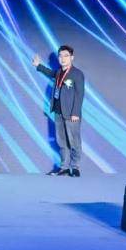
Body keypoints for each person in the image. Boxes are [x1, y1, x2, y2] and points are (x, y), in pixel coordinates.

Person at [33, 45, 85, 177]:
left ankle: (75, 167)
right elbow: (50, 73)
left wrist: (75, 113)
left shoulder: (77, 74)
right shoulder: (59, 73)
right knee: (61, 142)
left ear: (72, 57)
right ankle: (64, 167)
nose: (63, 58)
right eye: (60, 56)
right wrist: (38, 65)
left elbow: (80, 94)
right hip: (58, 112)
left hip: (71, 114)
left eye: (66, 56)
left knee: (74, 141)